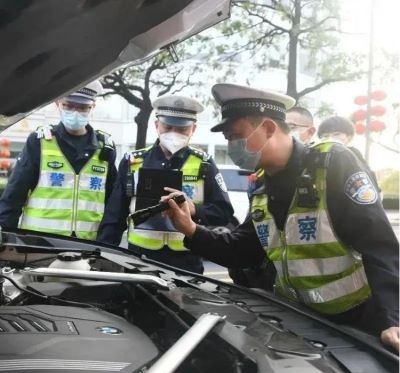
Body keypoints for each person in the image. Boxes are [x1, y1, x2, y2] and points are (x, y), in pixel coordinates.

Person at [162, 83, 400, 351]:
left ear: (268, 128)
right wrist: (191, 229)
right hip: (299, 323)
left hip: (357, 325)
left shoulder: (332, 163)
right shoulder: (261, 186)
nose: (231, 146)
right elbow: (244, 251)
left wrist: (393, 318)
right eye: (228, 139)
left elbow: (379, 245)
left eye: (236, 136)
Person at [97, 94, 235, 274]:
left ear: (193, 129)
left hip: (186, 263)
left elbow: (223, 212)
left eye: (182, 129)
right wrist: (104, 256)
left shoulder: (204, 165)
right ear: (157, 125)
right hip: (139, 261)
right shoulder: (133, 162)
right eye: (168, 127)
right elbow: (114, 217)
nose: (173, 133)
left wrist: (194, 209)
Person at [0, 81, 117, 240]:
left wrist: (107, 243)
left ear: (92, 108)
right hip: (40, 243)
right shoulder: (39, 142)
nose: (75, 113)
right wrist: (6, 239)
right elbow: (14, 196)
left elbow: (113, 204)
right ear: (58, 104)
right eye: (69, 106)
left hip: (87, 245)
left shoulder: (105, 148)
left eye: (83, 108)